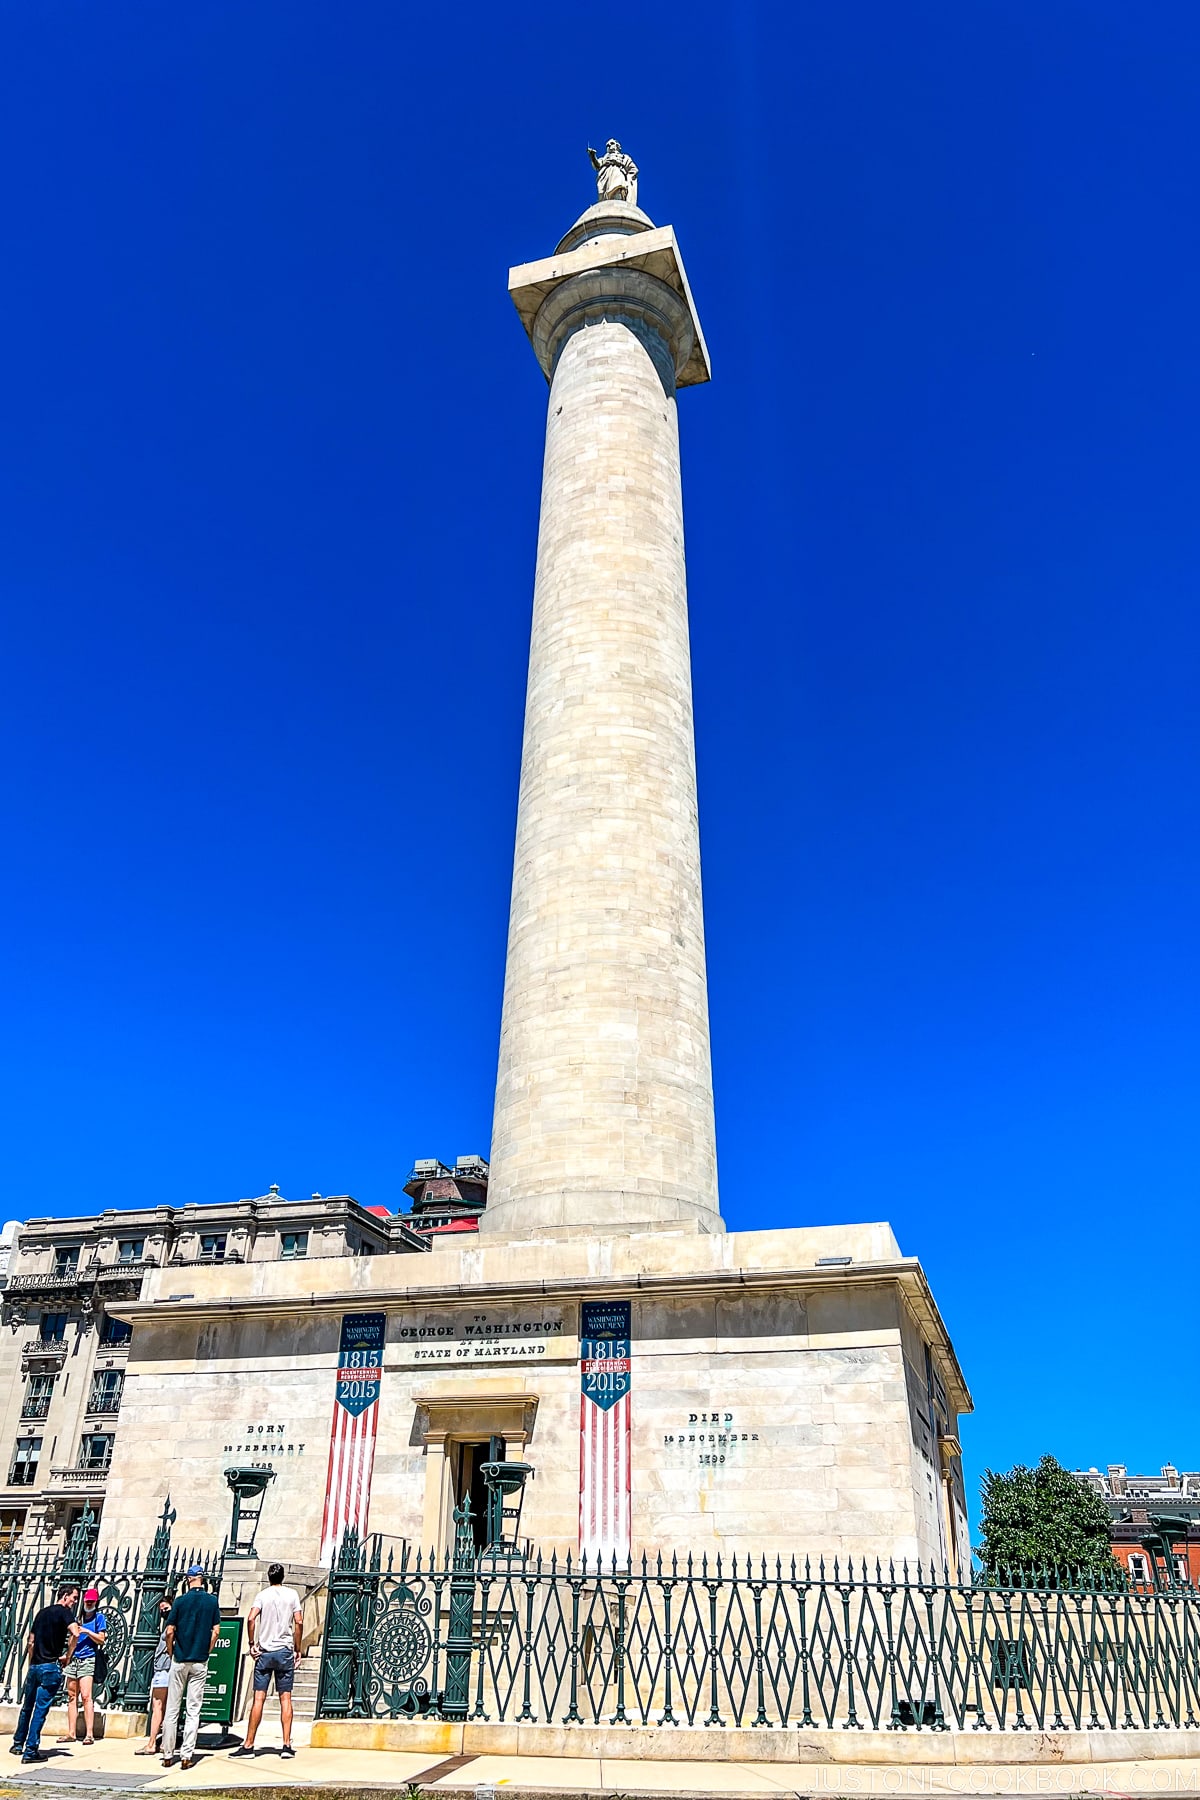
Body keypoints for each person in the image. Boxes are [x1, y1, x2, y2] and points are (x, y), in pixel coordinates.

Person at [229, 1564, 302, 1760]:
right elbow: (299, 1621)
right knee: (285, 1698)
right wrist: (297, 1648)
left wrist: (252, 1643)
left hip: (265, 1651)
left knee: (258, 1698)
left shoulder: (262, 1595)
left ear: (269, 1577)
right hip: (284, 1650)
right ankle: (286, 1745)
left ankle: (249, 1744)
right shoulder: (292, 1594)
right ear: (283, 1576)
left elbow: (251, 1618)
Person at [9, 1583, 81, 1764]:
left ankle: (18, 1743)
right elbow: (75, 1632)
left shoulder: (41, 1613)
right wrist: (68, 1656)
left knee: (27, 1707)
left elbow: (31, 1641)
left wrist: (32, 1662)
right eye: (74, 1598)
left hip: (35, 1666)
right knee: (40, 1710)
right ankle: (31, 1750)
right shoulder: (64, 1612)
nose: (74, 1602)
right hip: (50, 1666)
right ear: (65, 1596)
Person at [160, 1565, 220, 1770]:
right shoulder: (212, 1601)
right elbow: (216, 1632)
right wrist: (207, 1651)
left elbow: (169, 1631)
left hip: (180, 1658)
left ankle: (168, 1753)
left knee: (172, 1709)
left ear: (188, 1579)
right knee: (194, 1709)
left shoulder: (180, 1601)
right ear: (202, 1579)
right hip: (199, 1659)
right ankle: (186, 1755)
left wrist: (171, 1650)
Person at [60, 1586, 106, 1746]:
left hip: (88, 1658)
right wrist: (68, 1656)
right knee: (71, 1695)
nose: (89, 1603)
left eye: (91, 1601)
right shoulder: (77, 1617)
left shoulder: (99, 1618)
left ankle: (89, 1734)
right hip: (74, 1659)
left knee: (86, 1696)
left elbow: (101, 1639)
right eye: (87, 1601)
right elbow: (72, 1639)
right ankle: (71, 1732)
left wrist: (87, 1632)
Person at [135, 1595, 174, 1756]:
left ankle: (152, 1743)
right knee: (166, 1707)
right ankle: (164, 1742)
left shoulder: (172, 1626)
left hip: (164, 1668)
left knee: (158, 1706)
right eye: (161, 1610)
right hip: (165, 1668)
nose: (163, 1612)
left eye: (166, 1608)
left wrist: (170, 1653)